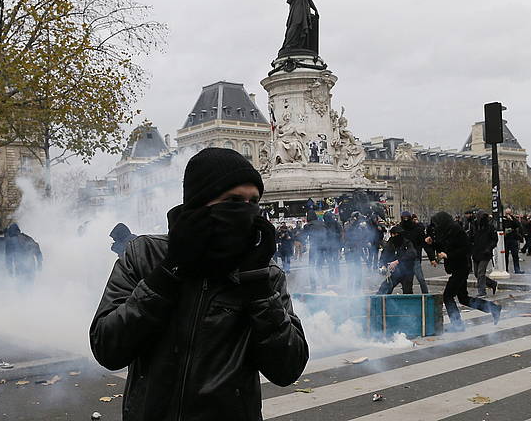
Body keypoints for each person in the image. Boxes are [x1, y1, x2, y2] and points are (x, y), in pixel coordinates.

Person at [90, 148, 308, 420]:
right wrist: (169, 272)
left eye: (253, 202)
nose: (247, 212)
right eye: (233, 200)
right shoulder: (145, 255)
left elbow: (288, 369)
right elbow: (107, 347)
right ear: (200, 203)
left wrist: (259, 289)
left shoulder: (264, 273)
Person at [425, 212, 501, 332]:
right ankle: (493, 309)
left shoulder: (456, 230)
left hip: (461, 267)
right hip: (456, 267)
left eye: (437, 223)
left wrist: (448, 255)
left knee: (448, 296)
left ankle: (457, 325)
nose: (435, 226)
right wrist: (432, 243)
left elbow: (466, 248)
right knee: (463, 298)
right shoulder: (446, 231)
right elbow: (444, 245)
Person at [376, 225, 416, 294]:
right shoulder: (390, 244)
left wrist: (397, 261)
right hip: (395, 273)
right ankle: (382, 303)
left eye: (397, 234)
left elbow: (412, 254)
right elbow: (384, 255)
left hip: (407, 272)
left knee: (407, 292)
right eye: (394, 234)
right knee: (384, 288)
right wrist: (383, 266)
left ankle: (407, 304)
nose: (395, 236)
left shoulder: (407, 243)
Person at [399, 211, 429, 294]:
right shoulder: (400, 228)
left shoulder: (416, 228)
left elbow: (423, 242)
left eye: (407, 218)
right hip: (405, 258)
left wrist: (431, 257)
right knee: (407, 280)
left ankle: (426, 296)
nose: (406, 220)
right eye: (404, 218)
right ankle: (408, 296)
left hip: (415, 257)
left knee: (420, 279)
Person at [470, 212, 498, 297]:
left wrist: (489, 248)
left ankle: (482, 291)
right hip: (476, 252)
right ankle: (492, 283)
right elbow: (471, 238)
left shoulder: (490, 227)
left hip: (485, 253)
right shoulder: (474, 227)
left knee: (480, 273)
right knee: (476, 273)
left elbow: (494, 240)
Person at [303, 210, 328, 291]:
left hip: (314, 248)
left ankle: (313, 287)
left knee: (311, 267)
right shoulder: (323, 224)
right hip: (323, 248)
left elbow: (303, 236)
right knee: (319, 267)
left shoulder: (308, 225)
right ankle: (324, 285)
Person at [343, 212, 368, 293]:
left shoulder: (360, 226)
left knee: (359, 270)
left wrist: (364, 229)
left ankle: (357, 288)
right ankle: (350, 289)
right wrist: (355, 224)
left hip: (357, 250)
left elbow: (362, 237)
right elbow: (348, 233)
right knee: (351, 271)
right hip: (349, 250)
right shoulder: (347, 224)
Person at [502, 209, 524, 274]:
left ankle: (517, 269)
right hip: (505, 239)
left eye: (509, 213)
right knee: (506, 255)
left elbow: (518, 225)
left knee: (515, 254)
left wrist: (512, 219)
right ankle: (505, 269)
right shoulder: (503, 219)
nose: (508, 214)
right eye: (507, 213)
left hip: (513, 238)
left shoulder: (513, 219)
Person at [322, 211, 342, 283]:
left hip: (334, 245)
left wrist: (333, 235)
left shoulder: (335, 223)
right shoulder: (324, 224)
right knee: (331, 263)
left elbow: (340, 234)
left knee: (334, 262)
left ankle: (336, 277)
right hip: (329, 246)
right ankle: (333, 277)